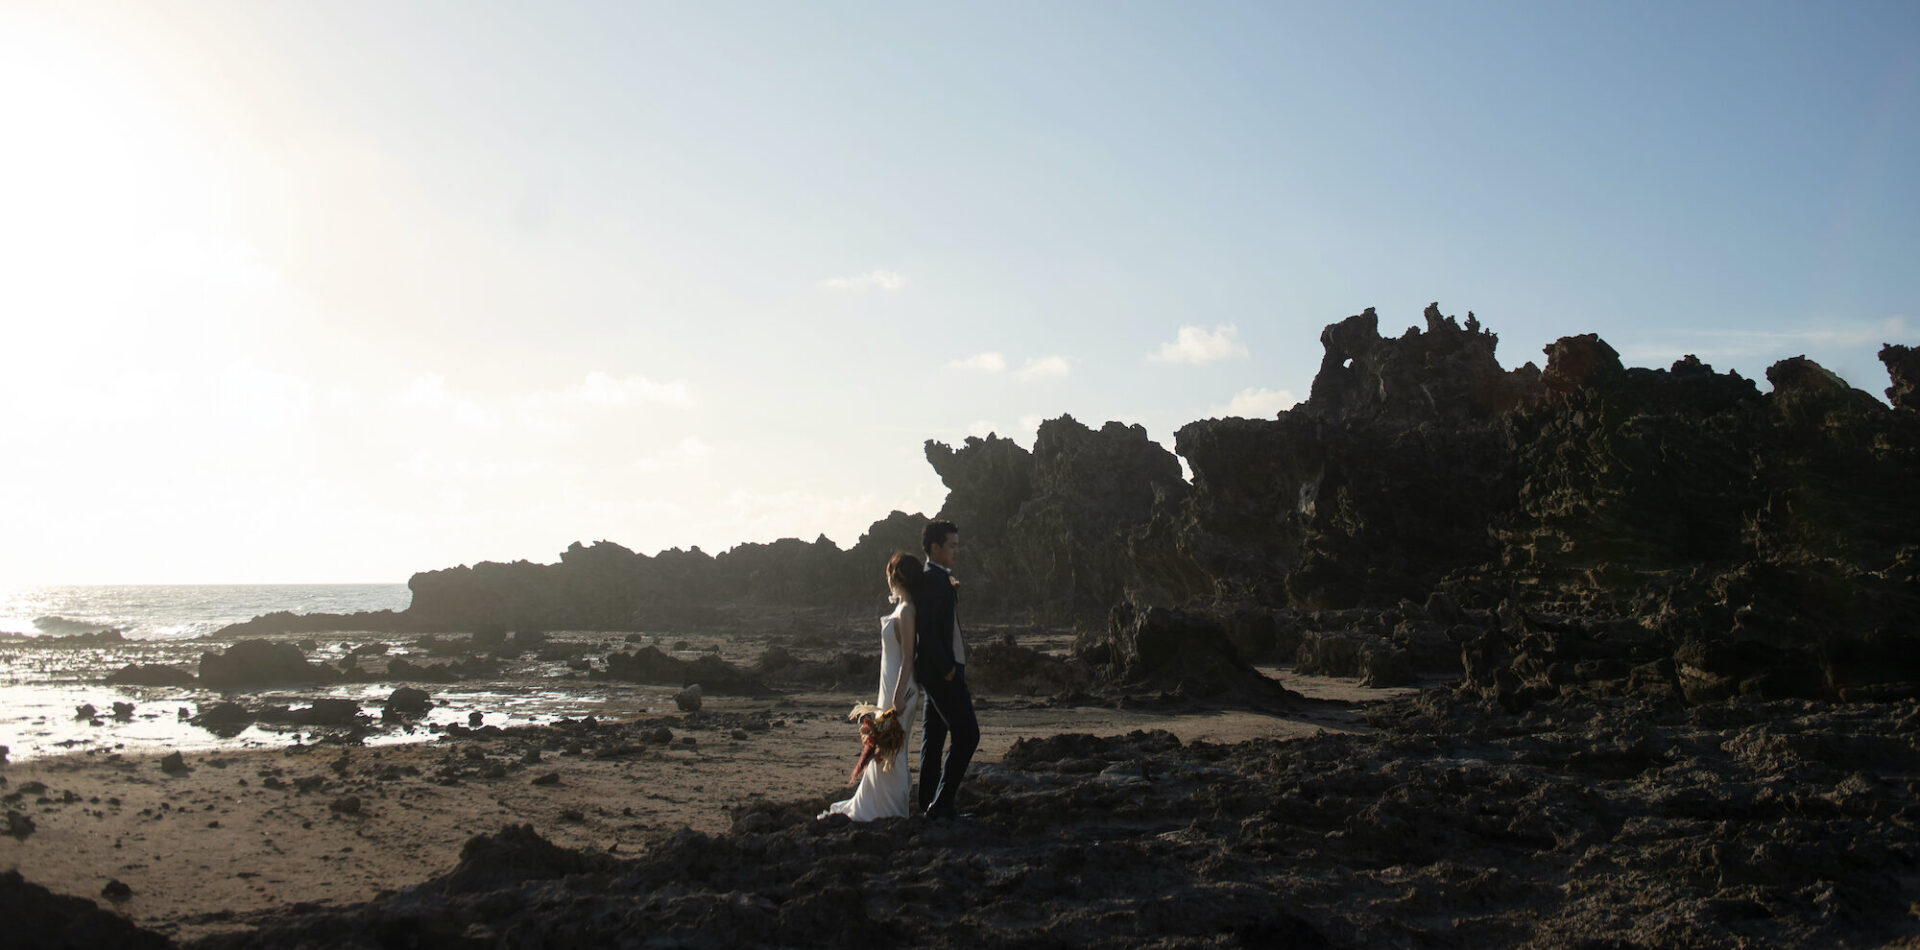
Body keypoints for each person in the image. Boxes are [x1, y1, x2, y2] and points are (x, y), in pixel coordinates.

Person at [820, 552, 924, 821]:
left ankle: (891, 809)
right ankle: (877, 804)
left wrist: (899, 696)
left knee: (893, 749)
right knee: (885, 749)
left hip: (900, 688)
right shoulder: (902, 607)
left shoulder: (908, 610)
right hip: (890, 685)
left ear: (896, 577)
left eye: (889, 574)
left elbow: (908, 657)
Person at [914, 519, 977, 820]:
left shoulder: (938, 578)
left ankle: (928, 802)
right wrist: (947, 668)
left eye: (957, 545)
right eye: (951, 546)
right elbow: (926, 629)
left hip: (940, 672)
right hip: (942, 674)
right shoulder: (932, 580)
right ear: (934, 547)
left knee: (935, 738)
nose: (956, 551)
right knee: (967, 734)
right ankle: (941, 807)